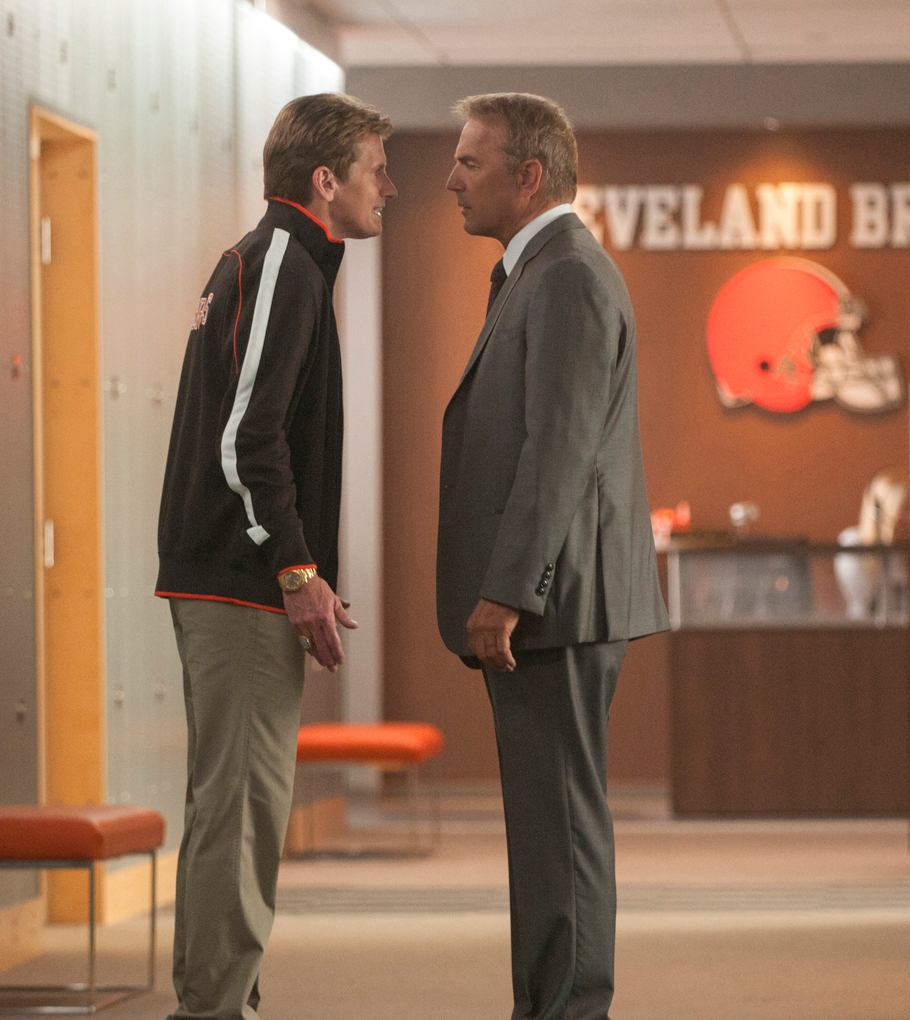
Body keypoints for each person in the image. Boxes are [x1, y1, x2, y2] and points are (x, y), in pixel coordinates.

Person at [155, 92, 396, 1020]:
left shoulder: (277, 261)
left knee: (235, 805)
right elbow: (247, 440)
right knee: (242, 809)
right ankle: (212, 1006)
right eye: (377, 169)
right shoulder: (285, 260)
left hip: (233, 579)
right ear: (325, 180)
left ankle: (218, 995)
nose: (393, 187)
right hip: (243, 585)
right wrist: (296, 569)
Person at [436, 92, 668, 1020]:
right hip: (548, 604)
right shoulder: (535, 271)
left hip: (554, 608)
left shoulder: (568, 272)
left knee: (561, 832)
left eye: (469, 162)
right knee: (543, 832)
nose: (450, 178)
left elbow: (559, 447)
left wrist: (508, 591)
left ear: (527, 176)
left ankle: (571, 1010)